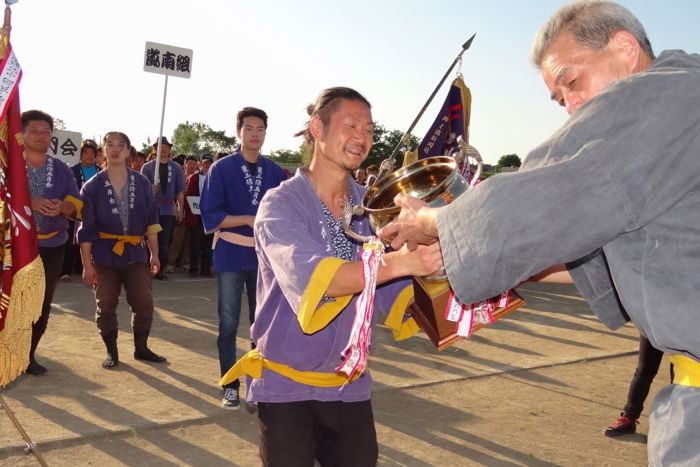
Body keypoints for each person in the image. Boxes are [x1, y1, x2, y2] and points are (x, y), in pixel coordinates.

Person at [380, 1, 700, 464]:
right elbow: (622, 256)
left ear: (625, 48)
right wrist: (463, 256)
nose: (570, 107)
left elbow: (537, 195)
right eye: (558, 99)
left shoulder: (658, 99)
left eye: (571, 82)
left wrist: (435, 222)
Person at [219, 88, 442, 466]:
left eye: (369, 129)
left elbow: (396, 291)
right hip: (287, 389)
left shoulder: (371, 208)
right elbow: (317, 282)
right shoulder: (280, 204)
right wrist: (403, 263)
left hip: (349, 385)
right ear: (317, 129)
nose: (362, 138)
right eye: (350, 125)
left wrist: (440, 256)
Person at [199, 107, 287, 410]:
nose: (254, 134)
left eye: (260, 129)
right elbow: (212, 214)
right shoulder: (221, 169)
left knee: (261, 324)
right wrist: (247, 218)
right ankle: (229, 385)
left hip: (264, 257)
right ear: (239, 132)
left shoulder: (275, 172)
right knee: (228, 322)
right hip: (230, 253)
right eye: (249, 128)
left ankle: (257, 384)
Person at [78, 131, 165, 368]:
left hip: (136, 252)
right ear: (103, 151)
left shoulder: (142, 182)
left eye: (121, 145)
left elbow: (151, 223)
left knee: (144, 301)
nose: (115, 149)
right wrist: (87, 265)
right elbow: (85, 230)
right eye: (109, 145)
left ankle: (141, 348)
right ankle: (111, 352)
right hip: (104, 254)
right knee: (105, 302)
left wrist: (154, 253)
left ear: (128, 151)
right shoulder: (92, 187)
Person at [22, 110, 82, 375]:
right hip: (13, 245)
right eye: (34, 130)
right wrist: (28, 204)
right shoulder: (7, 165)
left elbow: (77, 202)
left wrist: (64, 207)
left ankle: (27, 356)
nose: (40, 135)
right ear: (21, 134)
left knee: (41, 304)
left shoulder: (61, 168)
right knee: (9, 301)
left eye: (46, 131)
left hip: (52, 245)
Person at [140, 137, 186, 280]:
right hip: (151, 208)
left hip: (168, 208)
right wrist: (149, 188)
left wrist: (180, 208)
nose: (164, 149)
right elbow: (140, 190)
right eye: (160, 146)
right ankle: (146, 268)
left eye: (166, 146)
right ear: (155, 149)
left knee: (165, 241)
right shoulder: (147, 167)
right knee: (150, 239)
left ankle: (160, 269)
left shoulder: (177, 168)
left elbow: (180, 191)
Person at [604, 334, 664, 437]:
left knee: (681, 374)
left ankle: (675, 426)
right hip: (655, 325)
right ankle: (629, 418)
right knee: (644, 371)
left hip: (686, 325)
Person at [61, 139, 101, 282]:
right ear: (80, 154)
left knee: (91, 239)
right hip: (76, 210)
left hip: (95, 212)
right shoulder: (73, 170)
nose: (89, 156)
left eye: (92, 153)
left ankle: (83, 267)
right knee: (72, 239)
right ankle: (66, 271)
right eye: (86, 153)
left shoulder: (100, 171)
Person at [185, 154, 214, 277]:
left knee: (208, 245)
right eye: (205, 163)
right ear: (200, 164)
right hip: (196, 216)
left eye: (209, 163)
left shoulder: (216, 177)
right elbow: (188, 194)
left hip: (210, 217)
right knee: (195, 244)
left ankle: (206, 269)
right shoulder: (194, 178)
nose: (207, 165)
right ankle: (193, 268)